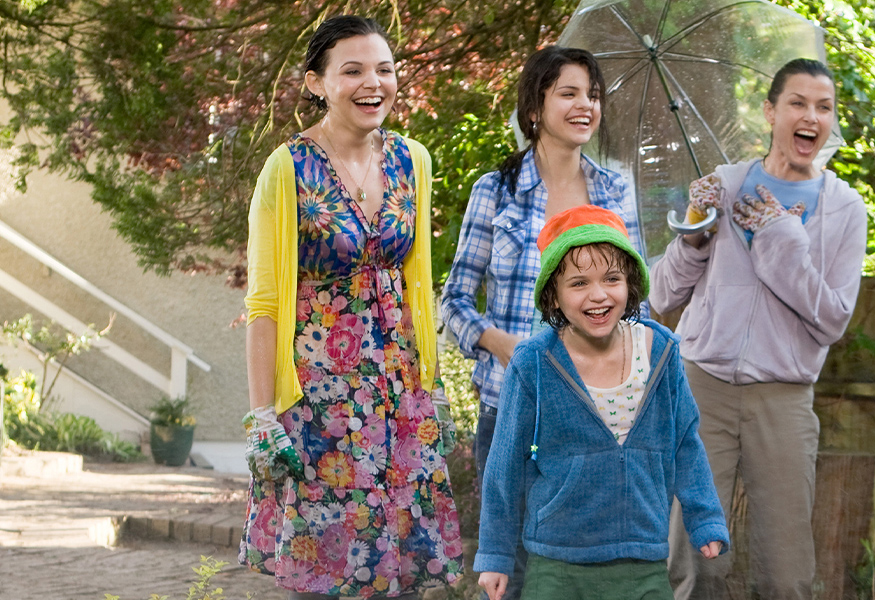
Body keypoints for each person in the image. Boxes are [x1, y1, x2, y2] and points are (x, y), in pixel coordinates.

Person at [239, 15, 463, 600]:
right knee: (328, 570)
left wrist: (430, 380)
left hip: (400, 388)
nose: (374, 83)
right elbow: (264, 302)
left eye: (385, 70)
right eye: (354, 70)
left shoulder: (413, 159)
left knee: (402, 568)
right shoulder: (287, 167)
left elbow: (419, 281)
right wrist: (264, 417)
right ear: (316, 82)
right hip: (320, 396)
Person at [652, 58, 868, 600]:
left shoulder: (845, 208)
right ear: (771, 111)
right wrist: (694, 238)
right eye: (797, 103)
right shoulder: (725, 184)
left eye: (824, 107)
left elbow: (831, 318)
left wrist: (778, 235)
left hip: (784, 397)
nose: (810, 117)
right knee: (697, 564)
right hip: (702, 389)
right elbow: (661, 294)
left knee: (784, 573)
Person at [439, 45, 645, 599]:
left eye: (594, 95)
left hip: (594, 420)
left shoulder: (614, 192)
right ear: (536, 106)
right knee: (510, 574)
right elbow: (453, 300)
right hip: (510, 413)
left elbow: (637, 307)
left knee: (585, 576)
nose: (585, 105)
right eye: (569, 93)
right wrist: (499, 343)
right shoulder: (496, 192)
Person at [474, 205, 729, 600]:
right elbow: (505, 465)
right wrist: (495, 553)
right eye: (578, 283)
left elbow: (686, 444)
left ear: (630, 284)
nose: (598, 295)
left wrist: (705, 518)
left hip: (643, 560)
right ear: (553, 297)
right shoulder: (534, 364)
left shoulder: (660, 353)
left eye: (612, 278)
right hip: (557, 565)